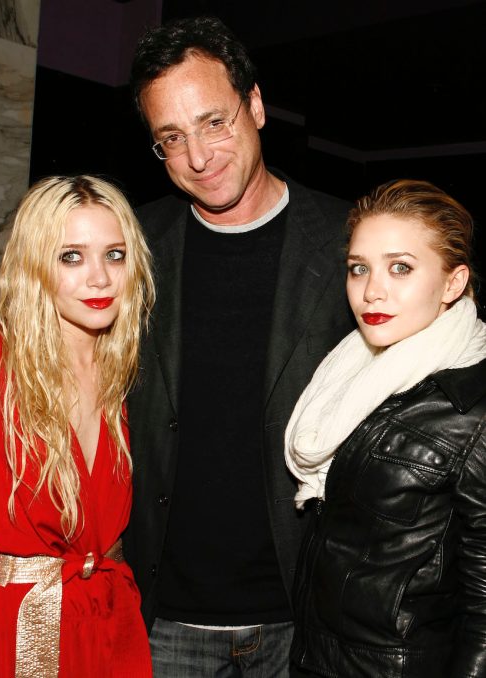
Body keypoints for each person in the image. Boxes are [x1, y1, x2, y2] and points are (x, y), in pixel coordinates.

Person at [124, 14, 355, 677]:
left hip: (304, 614)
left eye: (214, 122)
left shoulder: (350, 241)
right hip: (164, 618)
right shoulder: (131, 247)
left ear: (255, 106)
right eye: (172, 138)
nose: (198, 157)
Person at [285, 179, 486, 677]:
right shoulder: (354, 374)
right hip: (315, 659)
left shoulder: (472, 409)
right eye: (359, 268)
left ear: (453, 283)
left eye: (401, 267)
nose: (371, 291)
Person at [0, 175, 155, 677]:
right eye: (71, 257)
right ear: (33, 264)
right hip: (12, 630)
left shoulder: (130, 373)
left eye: (115, 255)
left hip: (110, 624)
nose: (100, 278)